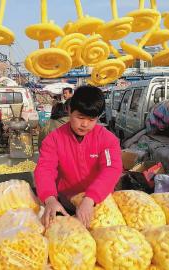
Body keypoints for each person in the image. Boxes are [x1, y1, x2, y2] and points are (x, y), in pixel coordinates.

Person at [35, 85, 122, 228]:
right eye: (80, 117)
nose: (85, 124)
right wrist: (49, 198)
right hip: (65, 204)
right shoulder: (54, 139)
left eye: (91, 119)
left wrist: (90, 198)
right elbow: (45, 169)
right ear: (69, 111)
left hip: (100, 204)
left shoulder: (107, 139)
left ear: (98, 117)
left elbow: (111, 169)